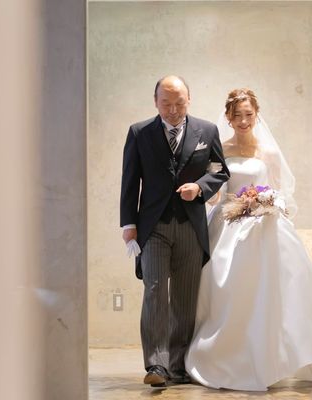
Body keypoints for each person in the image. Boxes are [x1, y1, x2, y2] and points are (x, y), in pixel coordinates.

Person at [184, 88, 312, 391]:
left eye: (249, 114)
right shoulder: (220, 149)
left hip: (264, 226)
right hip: (228, 224)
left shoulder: (268, 153)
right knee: (226, 286)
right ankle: (229, 356)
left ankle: (273, 357)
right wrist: (216, 197)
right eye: (237, 115)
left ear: (256, 115)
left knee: (275, 291)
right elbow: (217, 192)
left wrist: (265, 201)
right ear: (228, 117)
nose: (244, 120)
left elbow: (280, 192)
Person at [120, 75, 230, 387]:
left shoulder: (207, 131)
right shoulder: (139, 132)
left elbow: (220, 170)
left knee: (184, 296)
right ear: (155, 102)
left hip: (191, 227)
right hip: (152, 227)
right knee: (155, 291)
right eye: (165, 103)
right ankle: (157, 365)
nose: (172, 110)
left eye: (179, 103)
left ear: (188, 100)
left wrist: (200, 187)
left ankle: (178, 365)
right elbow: (130, 181)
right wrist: (128, 225)